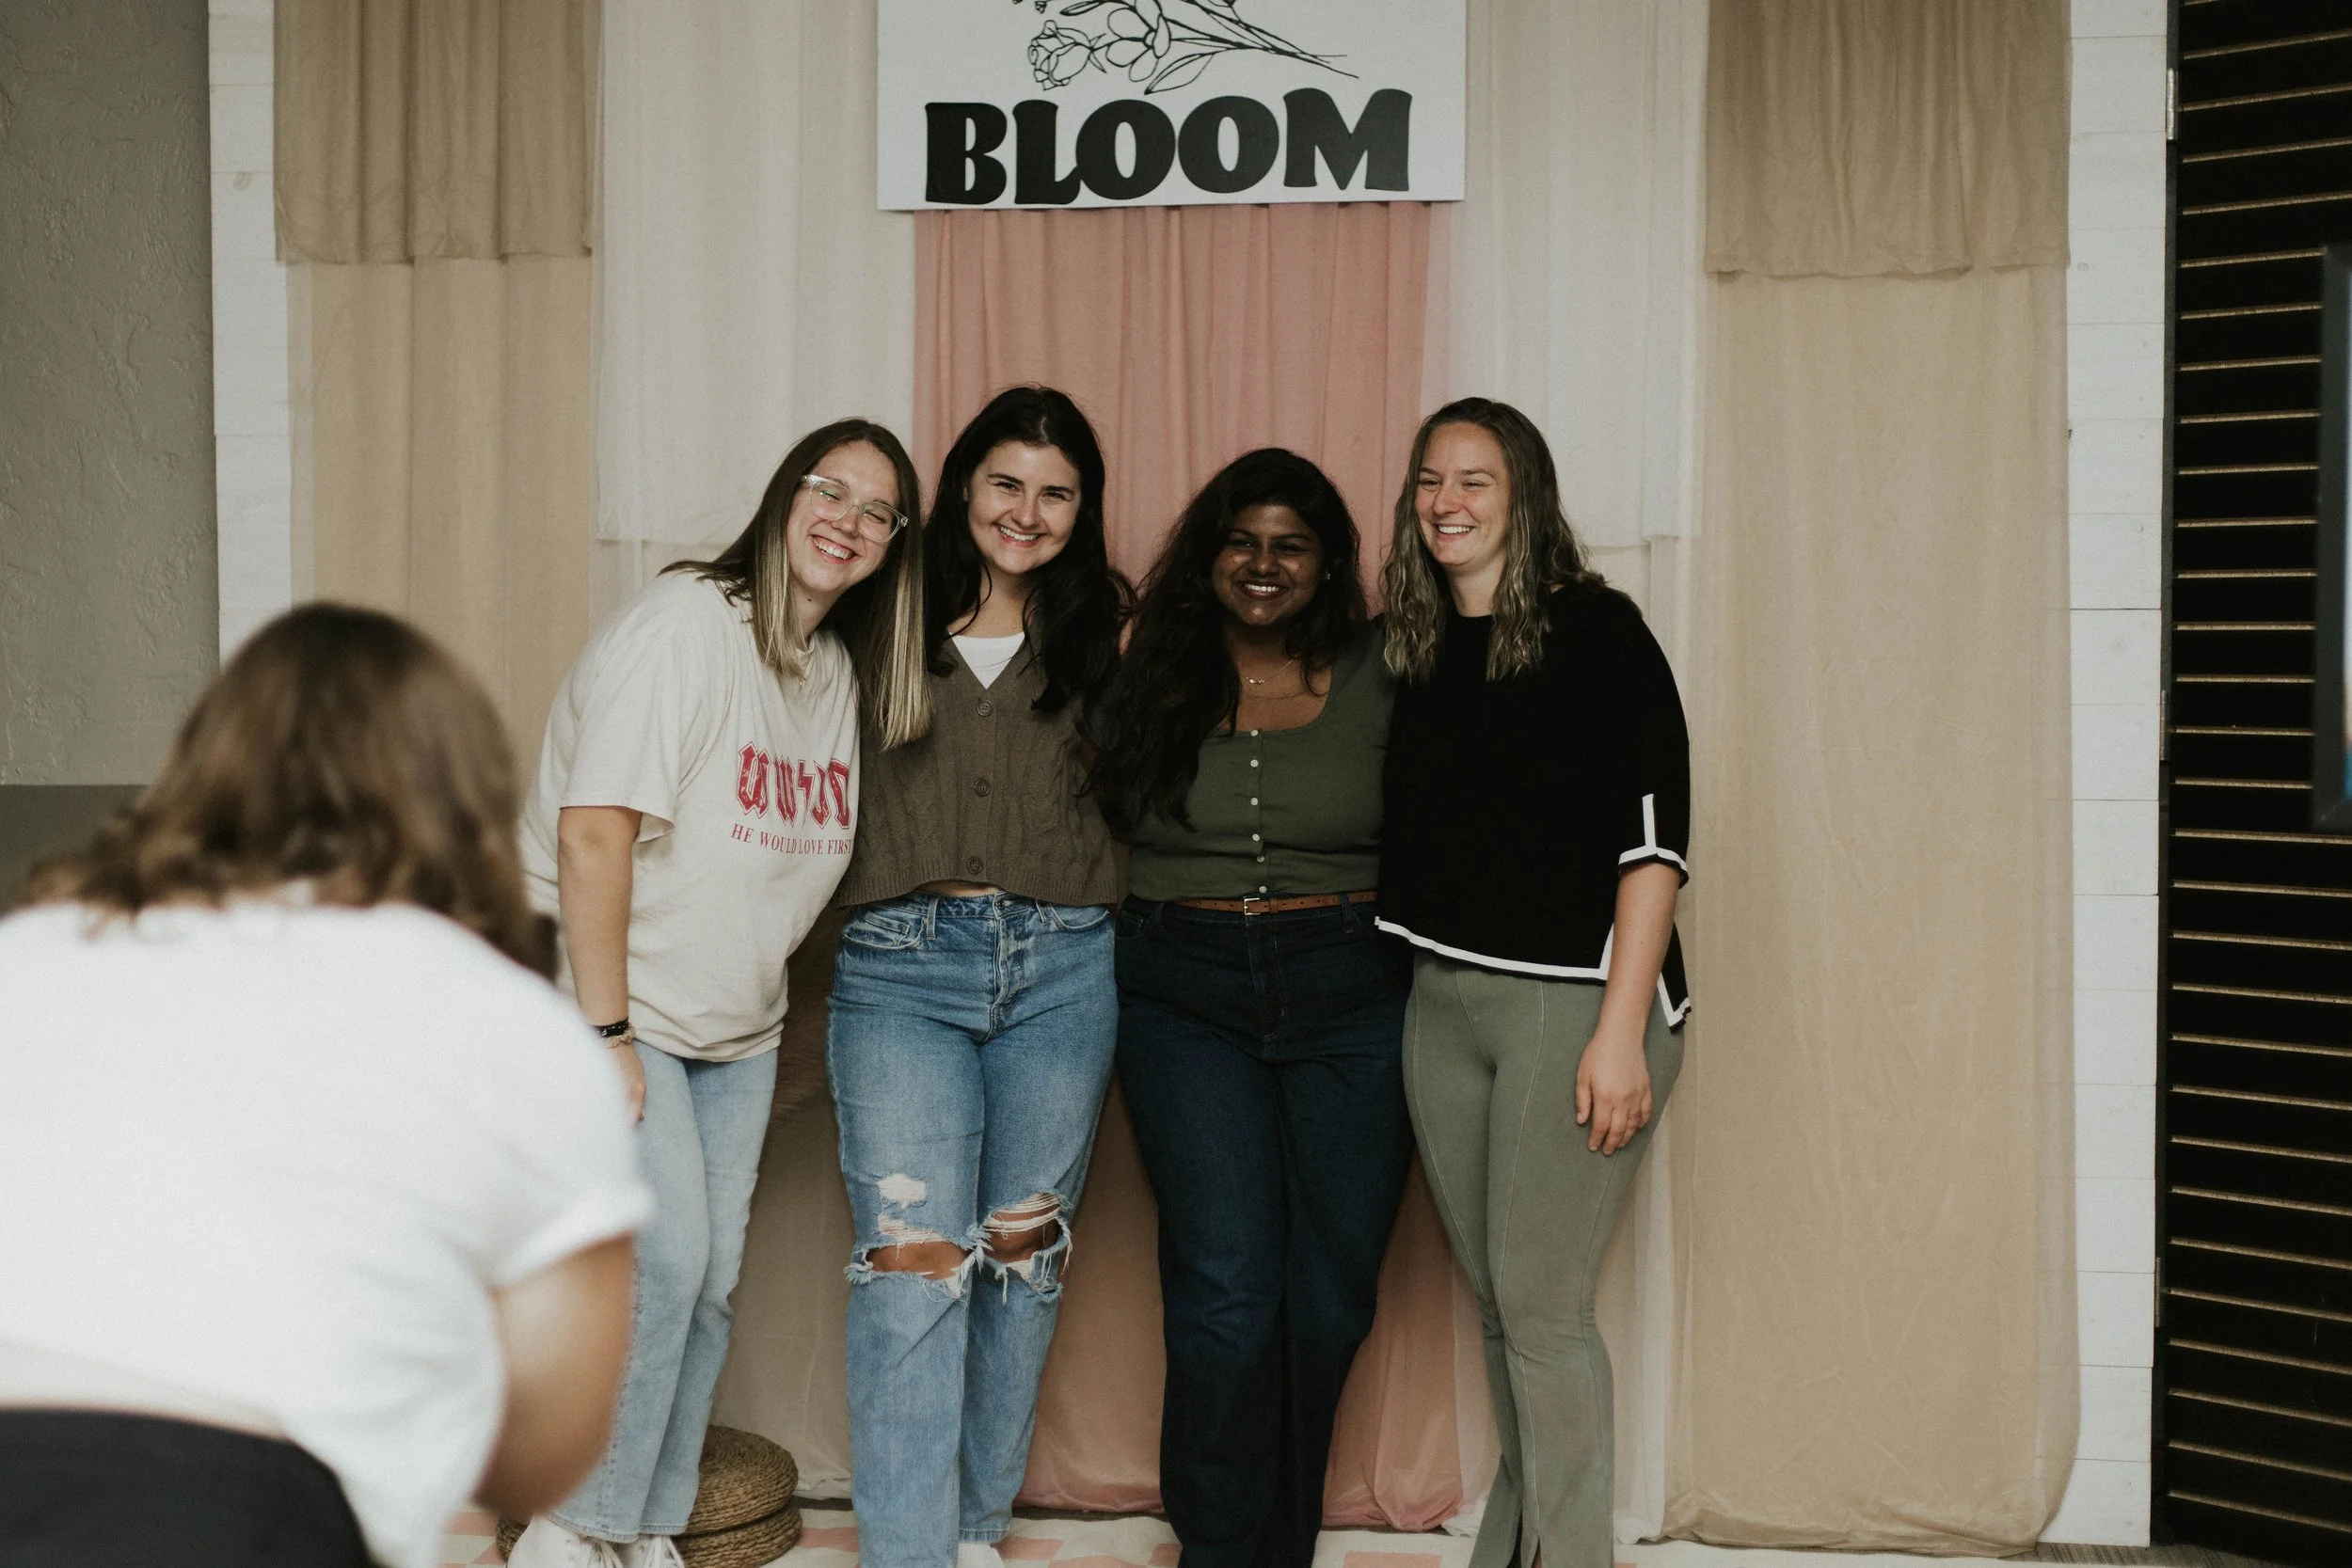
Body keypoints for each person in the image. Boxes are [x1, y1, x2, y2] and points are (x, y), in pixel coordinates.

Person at [0, 605, 651, 1568]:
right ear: (464, 801)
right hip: (241, 1512)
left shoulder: (26, 955)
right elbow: (539, 1455)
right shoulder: (507, 1022)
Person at [509, 419, 928, 1568]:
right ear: (782, 495)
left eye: (875, 509)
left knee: (706, 1288)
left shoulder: (832, 669)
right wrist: (603, 1031)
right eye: (825, 488)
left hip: (733, 1031)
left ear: (894, 546)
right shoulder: (687, 625)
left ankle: (644, 1524)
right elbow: (592, 835)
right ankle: (569, 1530)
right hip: (611, 1003)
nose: (844, 517)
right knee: (663, 1263)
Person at [1376, 399, 1691, 1568]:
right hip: (1442, 1001)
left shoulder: (1597, 632)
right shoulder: (1413, 644)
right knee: (1507, 1307)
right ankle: (1516, 1549)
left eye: (1475, 481)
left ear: (1525, 500)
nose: (1446, 502)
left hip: (1577, 1001)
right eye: (1427, 481)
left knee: (1546, 1311)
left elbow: (1654, 846)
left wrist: (1618, 1036)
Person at [1089, 449, 1412, 1568]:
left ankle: (1281, 1543)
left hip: (1352, 985)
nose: (1263, 565)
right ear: (1207, 554)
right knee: (1226, 1290)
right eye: (1241, 541)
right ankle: (1220, 1549)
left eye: (1290, 545)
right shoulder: (1151, 669)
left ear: (1327, 565)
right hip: (1185, 992)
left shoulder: (1385, 667)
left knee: (1327, 1297)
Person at [826, 385, 1130, 1568]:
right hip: (902, 969)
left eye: (1056, 492)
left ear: (1082, 510)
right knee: (913, 1269)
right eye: (1006, 483)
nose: (1028, 511)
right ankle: (907, 1556)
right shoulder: (878, 610)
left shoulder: (1107, 627)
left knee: (1021, 1265)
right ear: (962, 488)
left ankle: (969, 1535)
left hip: (1065, 971)